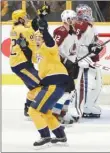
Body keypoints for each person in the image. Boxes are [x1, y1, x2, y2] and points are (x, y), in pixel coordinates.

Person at [26, 17, 70, 147]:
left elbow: (51, 43)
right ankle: (60, 136)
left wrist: (44, 31)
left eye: (40, 38)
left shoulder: (48, 46)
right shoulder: (39, 51)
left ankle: (45, 137)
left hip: (54, 82)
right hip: (53, 83)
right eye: (36, 38)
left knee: (33, 111)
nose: (38, 40)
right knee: (45, 112)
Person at [10, 9, 41, 117]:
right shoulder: (23, 30)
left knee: (35, 87)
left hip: (20, 63)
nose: (27, 18)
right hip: (21, 64)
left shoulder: (15, 28)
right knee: (41, 84)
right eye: (25, 16)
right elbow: (33, 40)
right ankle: (32, 108)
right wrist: (39, 23)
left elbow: (25, 43)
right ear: (20, 19)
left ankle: (28, 108)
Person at [74, 4, 103, 118]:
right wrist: (85, 55)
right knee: (86, 84)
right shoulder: (81, 25)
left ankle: (89, 105)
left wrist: (96, 47)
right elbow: (78, 44)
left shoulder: (90, 26)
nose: (90, 14)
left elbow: (92, 42)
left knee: (98, 84)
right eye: (87, 12)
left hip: (92, 59)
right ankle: (81, 107)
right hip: (85, 60)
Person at [53, 10, 80, 124]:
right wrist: (63, 60)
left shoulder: (73, 32)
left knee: (71, 91)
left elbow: (73, 49)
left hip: (71, 65)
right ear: (67, 20)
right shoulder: (61, 31)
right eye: (72, 18)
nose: (75, 20)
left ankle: (63, 113)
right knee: (65, 91)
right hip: (62, 65)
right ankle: (55, 114)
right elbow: (53, 48)